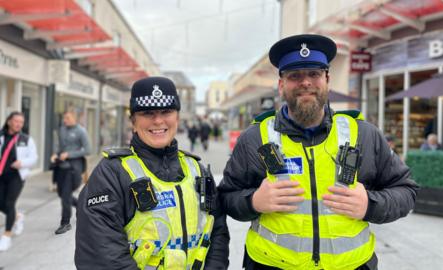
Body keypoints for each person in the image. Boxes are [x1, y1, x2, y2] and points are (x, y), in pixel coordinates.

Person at [218, 34, 419, 270]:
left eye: (314, 74)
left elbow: (406, 191)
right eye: (295, 76)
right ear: (281, 85)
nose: (306, 82)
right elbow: (226, 198)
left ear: (327, 79)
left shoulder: (364, 134)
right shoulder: (254, 138)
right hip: (271, 265)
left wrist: (370, 205)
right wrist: (253, 202)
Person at [75, 77, 229, 270]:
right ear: (133, 121)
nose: (158, 120)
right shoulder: (111, 173)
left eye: (166, 111)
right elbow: (101, 254)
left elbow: (218, 233)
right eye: (148, 113)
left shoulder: (197, 169)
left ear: (177, 118)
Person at [0, 112, 38, 251]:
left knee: (10, 203)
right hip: (1, 175)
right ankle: (17, 216)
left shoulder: (26, 139)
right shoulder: (1, 136)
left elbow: (34, 158)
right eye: (16, 121)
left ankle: (6, 236)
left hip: (16, 176)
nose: (18, 124)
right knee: (1, 204)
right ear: (9, 121)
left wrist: (22, 162)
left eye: (21, 122)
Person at [51, 110, 91, 234]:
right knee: (61, 193)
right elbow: (60, 146)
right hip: (60, 166)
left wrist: (69, 154)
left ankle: (65, 223)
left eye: (67, 118)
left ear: (74, 118)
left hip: (73, 168)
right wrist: (55, 154)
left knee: (65, 196)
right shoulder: (62, 129)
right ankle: (82, 206)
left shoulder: (81, 131)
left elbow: (88, 149)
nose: (65, 120)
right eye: (64, 118)